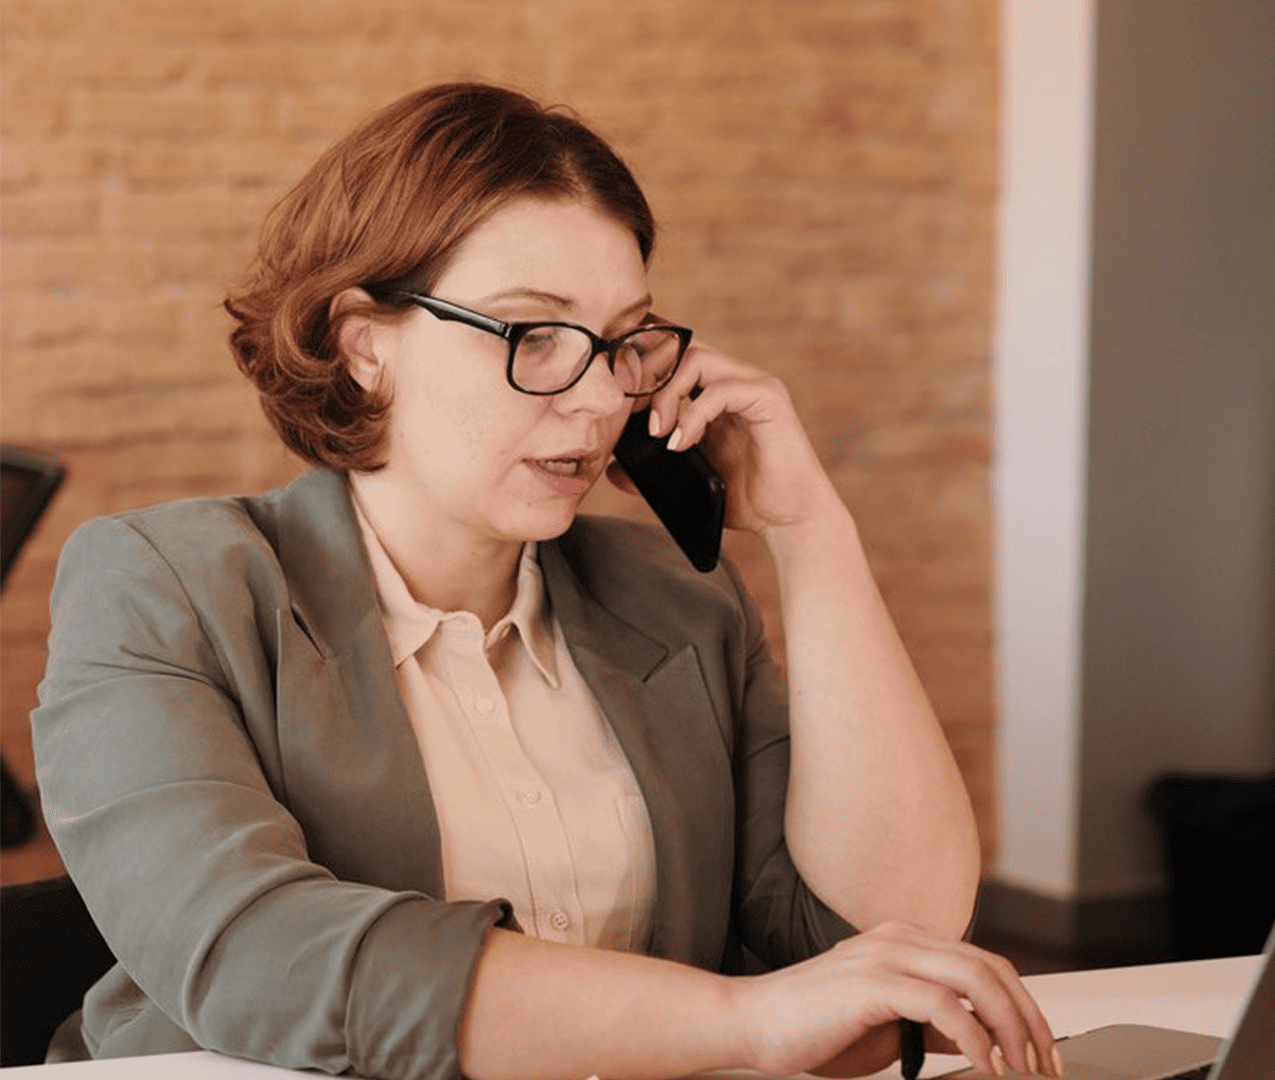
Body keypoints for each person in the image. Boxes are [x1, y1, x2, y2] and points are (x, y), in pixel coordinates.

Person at [33, 82, 1058, 1080]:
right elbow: (252, 952)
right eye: (536, 334)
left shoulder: (676, 599)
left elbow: (891, 938)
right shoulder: (162, 586)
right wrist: (740, 1019)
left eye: (622, 342)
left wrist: (809, 529)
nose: (600, 395)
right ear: (365, 345)